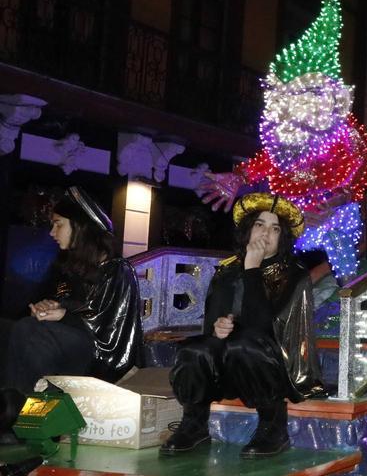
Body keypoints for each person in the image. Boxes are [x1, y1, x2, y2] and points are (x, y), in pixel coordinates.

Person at [161, 193, 319, 458]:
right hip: (227, 363)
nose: (266, 233)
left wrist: (252, 270)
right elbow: (213, 322)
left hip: (269, 367)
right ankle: (194, 422)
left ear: (283, 238)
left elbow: (264, 329)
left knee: (244, 344)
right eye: (260, 224)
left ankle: (272, 424)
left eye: (275, 228)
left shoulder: (294, 274)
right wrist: (219, 327)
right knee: (193, 351)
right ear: (248, 230)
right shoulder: (227, 270)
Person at [0, 187, 142, 394]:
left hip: (100, 352)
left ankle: (23, 406)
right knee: (7, 328)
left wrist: (64, 314)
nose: (52, 232)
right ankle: (17, 402)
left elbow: (109, 324)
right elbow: (60, 297)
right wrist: (47, 307)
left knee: (28, 330)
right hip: (68, 337)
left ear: (80, 226)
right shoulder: (69, 268)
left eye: (58, 224)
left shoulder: (117, 269)